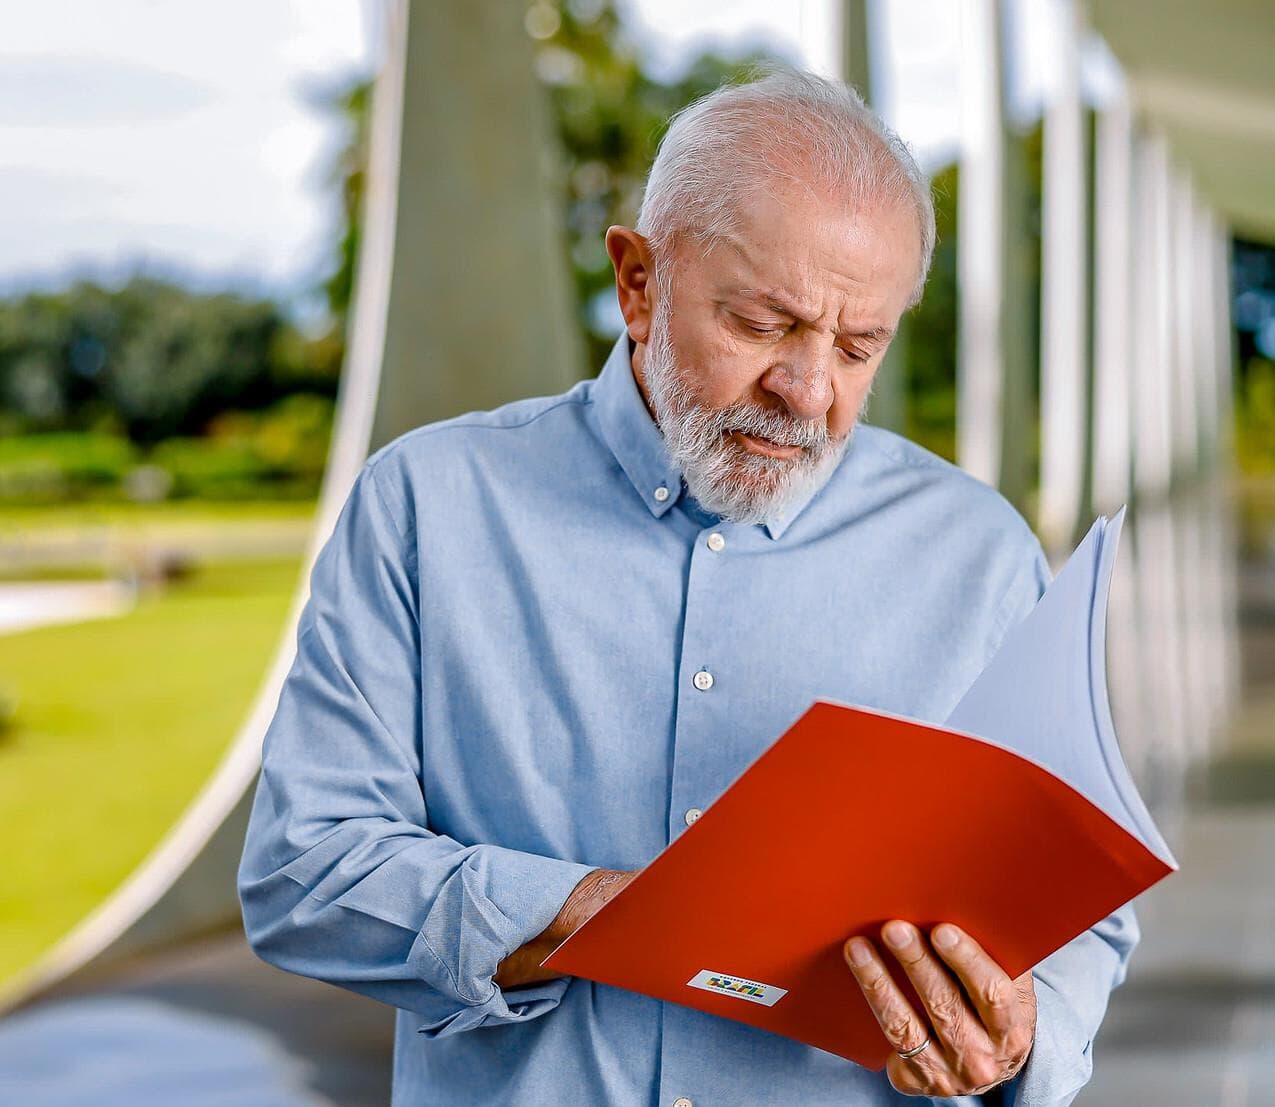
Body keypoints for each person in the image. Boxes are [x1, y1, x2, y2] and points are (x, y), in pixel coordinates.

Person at [238, 65, 1138, 1105]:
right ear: (637, 283)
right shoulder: (426, 507)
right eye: (763, 324)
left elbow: (1079, 910)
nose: (808, 392)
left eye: (858, 346)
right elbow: (306, 869)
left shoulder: (979, 553)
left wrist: (1020, 1038)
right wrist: (599, 914)